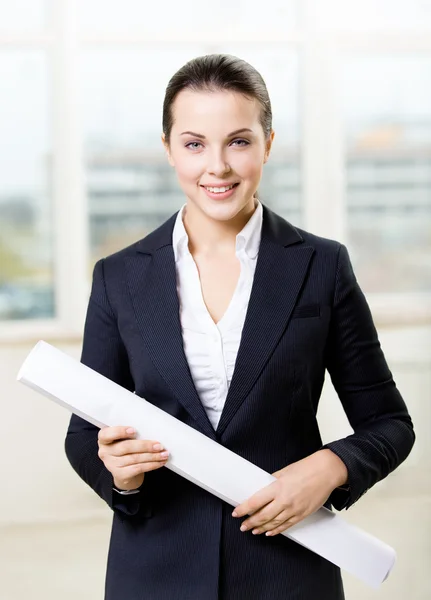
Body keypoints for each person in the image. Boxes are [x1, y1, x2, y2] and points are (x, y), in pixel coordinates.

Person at [65, 54, 415, 600]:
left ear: (268, 143)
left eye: (239, 141)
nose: (218, 166)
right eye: (194, 143)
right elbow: (84, 435)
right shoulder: (118, 276)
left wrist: (329, 468)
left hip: (287, 569)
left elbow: (390, 424)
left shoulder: (322, 266)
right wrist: (120, 473)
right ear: (168, 149)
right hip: (156, 569)